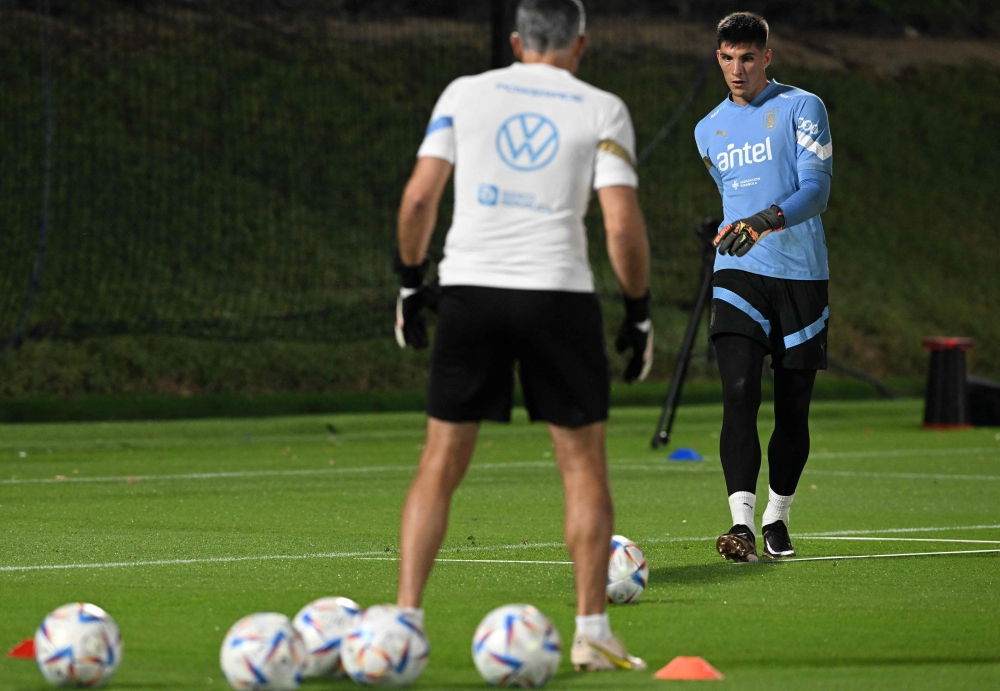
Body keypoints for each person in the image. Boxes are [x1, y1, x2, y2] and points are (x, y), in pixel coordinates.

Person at [392, 0, 652, 673]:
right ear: (580, 46)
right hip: (558, 296)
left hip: (470, 292)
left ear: (515, 41)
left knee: (439, 462)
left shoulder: (463, 93)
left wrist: (409, 281)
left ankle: (405, 623)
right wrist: (639, 309)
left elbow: (420, 198)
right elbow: (620, 226)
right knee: (582, 466)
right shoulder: (602, 107)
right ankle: (592, 631)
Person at [694, 12, 833, 562]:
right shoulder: (707, 130)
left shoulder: (803, 107)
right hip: (738, 274)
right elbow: (729, 195)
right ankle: (742, 524)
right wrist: (740, 229)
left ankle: (779, 517)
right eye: (727, 57)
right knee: (738, 393)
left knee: (792, 408)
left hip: (801, 276)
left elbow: (816, 191)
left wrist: (764, 220)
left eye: (747, 58)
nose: (736, 69)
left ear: (767, 58)